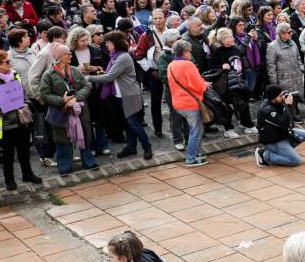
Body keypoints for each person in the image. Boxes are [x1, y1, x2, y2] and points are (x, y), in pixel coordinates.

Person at [0, 49, 40, 190]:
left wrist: (26, 103)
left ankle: (28, 174)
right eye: (6, 62)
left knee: (24, 151)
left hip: (21, 120)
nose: (10, 64)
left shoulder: (14, 75)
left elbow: (23, 94)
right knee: (8, 155)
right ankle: (9, 180)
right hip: (4, 124)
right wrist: (0, 112)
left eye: (9, 61)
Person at [87, 30, 152, 160]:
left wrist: (88, 78)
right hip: (121, 94)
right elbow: (112, 73)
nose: (106, 45)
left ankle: (147, 147)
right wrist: (101, 72)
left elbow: (109, 77)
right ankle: (131, 147)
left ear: (115, 43)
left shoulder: (122, 57)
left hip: (128, 95)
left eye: (108, 42)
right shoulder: (116, 56)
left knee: (133, 123)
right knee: (127, 123)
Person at [37, 43, 97, 175]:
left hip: (80, 111)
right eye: (67, 54)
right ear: (59, 57)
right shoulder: (48, 74)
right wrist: (62, 100)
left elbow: (86, 86)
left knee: (85, 134)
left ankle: (89, 162)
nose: (70, 55)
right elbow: (45, 95)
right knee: (62, 138)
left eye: (70, 53)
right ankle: (64, 166)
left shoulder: (75, 70)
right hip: (61, 112)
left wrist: (76, 98)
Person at [166, 39, 210, 167]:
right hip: (191, 103)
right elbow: (198, 84)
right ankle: (191, 158)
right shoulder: (188, 65)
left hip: (178, 103)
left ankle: (197, 154)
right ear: (185, 52)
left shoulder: (171, 65)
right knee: (196, 131)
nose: (191, 53)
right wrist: (205, 85)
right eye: (190, 51)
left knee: (195, 130)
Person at [254, 85, 305, 167]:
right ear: (273, 97)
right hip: (273, 140)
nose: (283, 97)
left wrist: (289, 104)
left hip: (281, 134)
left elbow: (290, 122)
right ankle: (264, 154)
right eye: (280, 95)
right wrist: (288, 105)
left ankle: (283, 151)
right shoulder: (267, 110)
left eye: (283, 94)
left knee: (304, 135)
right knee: (296, 161)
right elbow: (284, 123)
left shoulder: (276, 102)